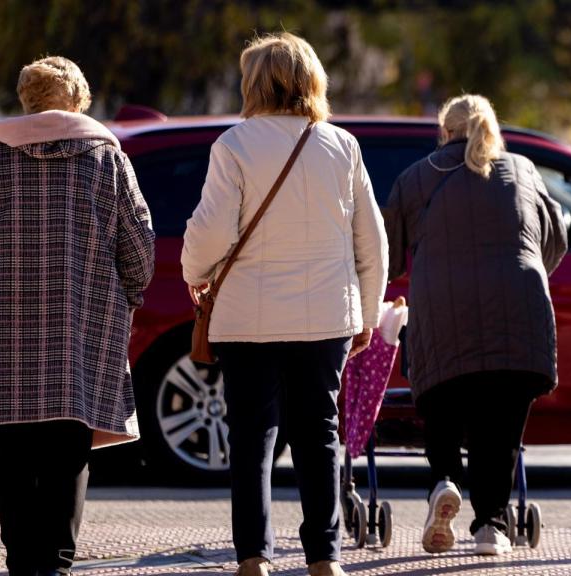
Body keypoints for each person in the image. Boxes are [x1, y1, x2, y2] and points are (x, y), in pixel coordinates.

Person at [0, 56, 156, 576]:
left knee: (13, 445)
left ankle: (21, 560)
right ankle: (57, 561)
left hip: (3, 333)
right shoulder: (108, 161)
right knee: (68, 445)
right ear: (78, 101)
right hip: (82, 326)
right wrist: (129, 295)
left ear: (26, 100)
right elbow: (139, 248)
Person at [181, 33, 388, 576]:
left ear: (253, 83)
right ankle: (325, 556)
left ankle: (253, 555)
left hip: (246, 318)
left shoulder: (234, 145)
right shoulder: (342, 146)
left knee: (251, 437)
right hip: (325, 316)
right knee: (320, 434)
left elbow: (209, 233)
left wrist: (193, 275)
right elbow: (372, 241)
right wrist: (366, 314)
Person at [384, 94, 568, 556]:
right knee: (500, 431)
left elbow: (387, 256)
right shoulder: (522, 170)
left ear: (445, 132)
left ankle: (445, 480)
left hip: (442, 315)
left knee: (443, 402)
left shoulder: (416, 177)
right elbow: (556, 240)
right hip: (520, 314)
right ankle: (491, 525)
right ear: (491, 128)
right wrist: (524, 270)